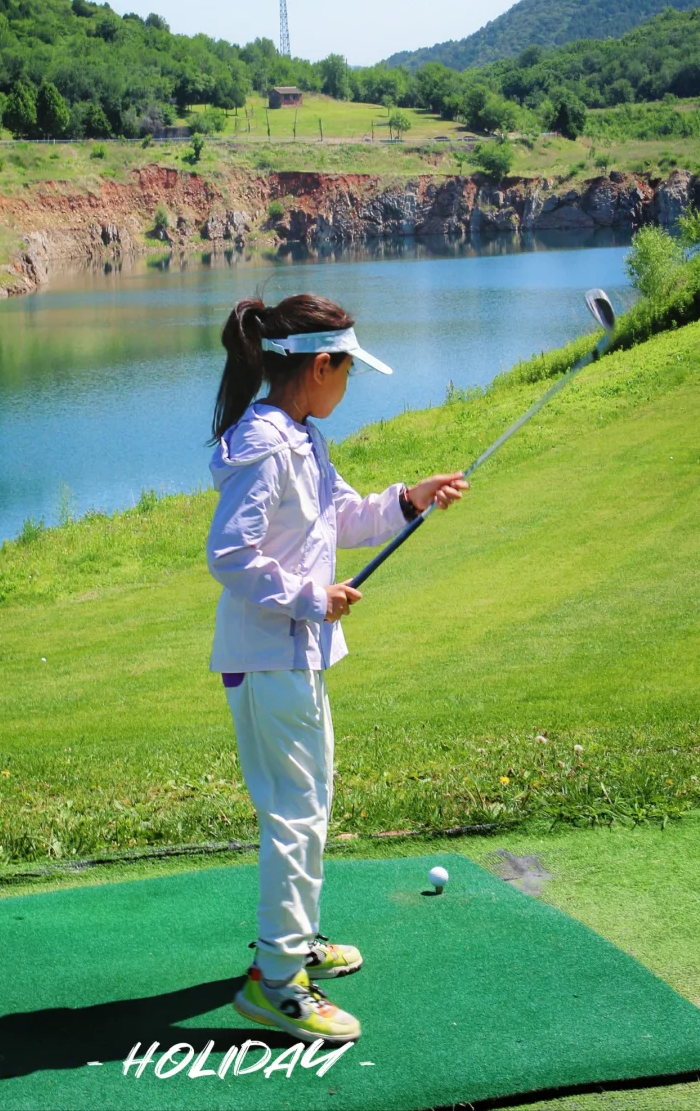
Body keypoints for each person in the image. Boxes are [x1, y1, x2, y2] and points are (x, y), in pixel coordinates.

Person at [207, 293, 468, 1044]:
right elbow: (230, 553)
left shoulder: (303, 436)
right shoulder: (266, 444)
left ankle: (296, 939)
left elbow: (342, 517)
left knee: (311, 803)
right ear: (319, 366)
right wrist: (310, 597)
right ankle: (277, 982)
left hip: (296, 656)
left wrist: (409, 500)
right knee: (294, 812)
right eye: (347, 371)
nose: (349, 384)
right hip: (269, 657)